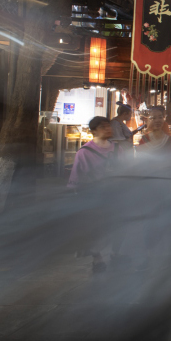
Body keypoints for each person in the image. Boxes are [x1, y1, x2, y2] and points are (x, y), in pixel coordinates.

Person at [68, 116, 118, 273]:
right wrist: (75, 193)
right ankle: (98, 258)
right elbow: (76, 176)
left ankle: (116, 252)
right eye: (103, 127)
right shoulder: (84, 152)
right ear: (93, 131)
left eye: (108, 126)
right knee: (95, 228)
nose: (108, 129)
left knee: (117, 225)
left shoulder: (117, 149)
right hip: (94, 195)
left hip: (115, 193)